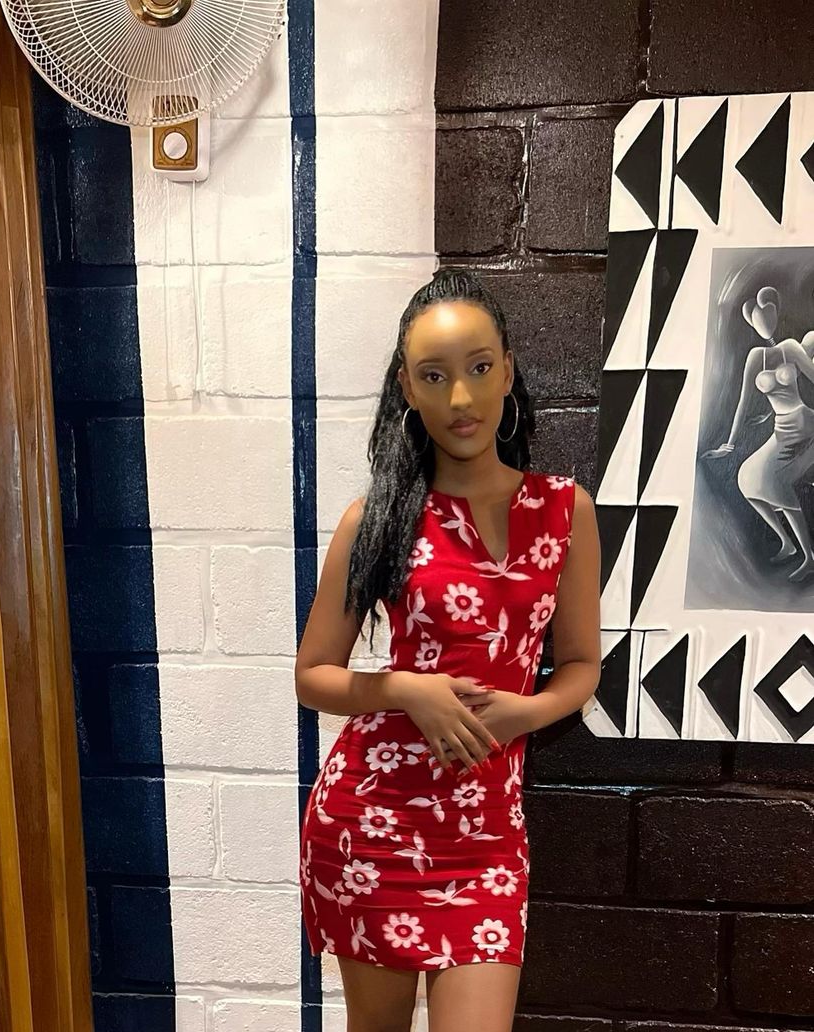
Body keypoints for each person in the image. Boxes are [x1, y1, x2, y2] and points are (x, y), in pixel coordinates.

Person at [295, 268, 602, 1032]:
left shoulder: (564, 510)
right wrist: (406, 688)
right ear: (407, 387)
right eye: (434, 376)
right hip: (374, 823)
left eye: (479, 367)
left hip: (488, 835)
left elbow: (581, 666)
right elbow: (312, 675)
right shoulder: (376, 516)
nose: (461, 398)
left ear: (508, 369)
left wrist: (524, 713)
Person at [703, 286, 814, 582]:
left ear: (775, 313)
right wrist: (729, 443)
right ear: (752, 322)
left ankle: (809, 556)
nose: (765, 323)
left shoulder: (791, 348)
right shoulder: (755, 357)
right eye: (758, 319)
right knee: (747, 477)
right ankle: (788, 544)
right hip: (781, 426)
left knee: (775, 481)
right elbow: (742, 403)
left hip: (804, 422)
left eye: (768, 315)